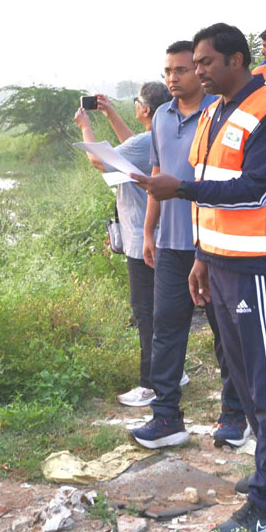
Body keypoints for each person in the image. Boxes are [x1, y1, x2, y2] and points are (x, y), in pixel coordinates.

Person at [133, 23, 266, 532]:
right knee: (239, 369)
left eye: (206, 62)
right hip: (220, 259)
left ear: (236, 60)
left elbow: (255, 191)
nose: (198, 70)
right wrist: (202, 257)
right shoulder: (214, 110)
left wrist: (180, 187)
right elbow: (213, 192)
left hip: (257, 264)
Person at [132, 40, 248, 448]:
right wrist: (150, 232)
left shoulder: (218, 115)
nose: (174, 78)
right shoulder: (161, 117)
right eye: (168, 72)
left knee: (225, 331)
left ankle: (234, 414)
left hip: (214, 242)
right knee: (166, 329)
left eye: (181, 70)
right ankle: (166, 417)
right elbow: (157, 175)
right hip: (171, 244)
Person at [75, 83, 174, 408]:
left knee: (145, 311)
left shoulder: (148, 139)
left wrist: (86, 127)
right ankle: (172, 371)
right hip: (159, 234)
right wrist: (110, 112)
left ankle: (150, 384)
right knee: (161, 309)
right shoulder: (155, 136)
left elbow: (99, 161)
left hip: (141, 238)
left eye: (136, 103)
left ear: (144, 108)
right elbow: (128, 144)